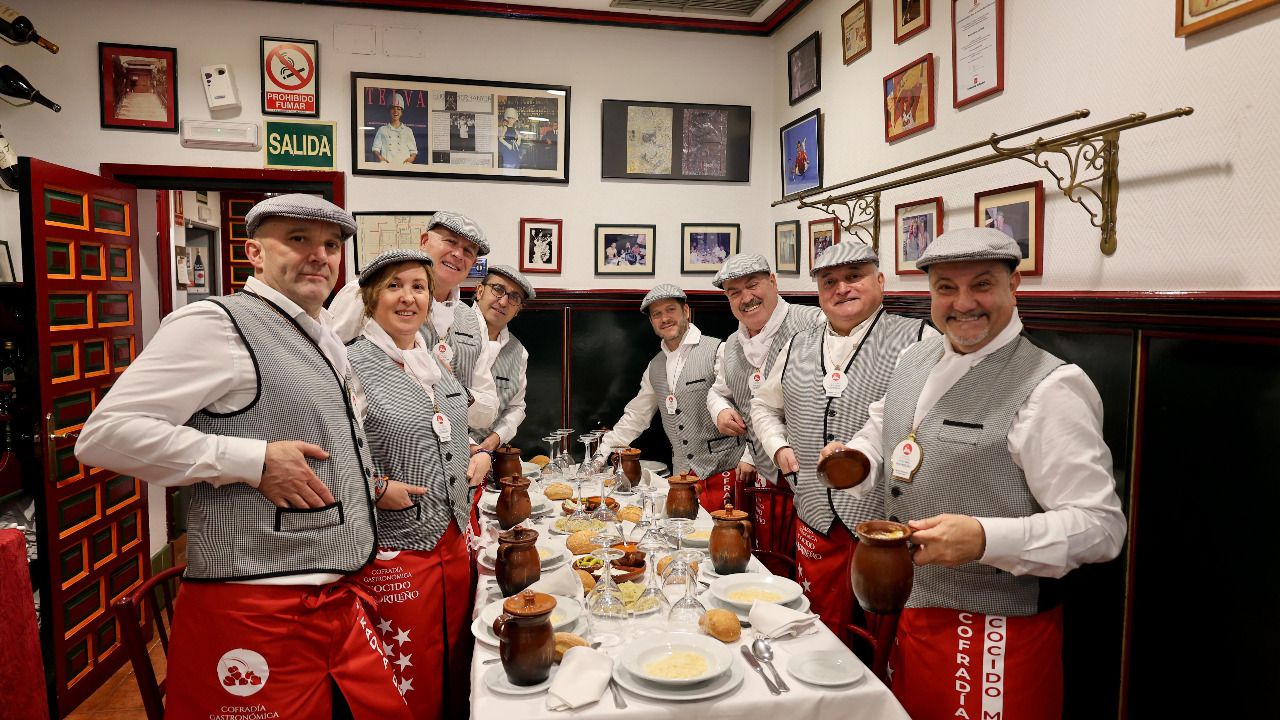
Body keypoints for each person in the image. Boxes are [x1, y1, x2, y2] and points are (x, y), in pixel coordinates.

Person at [74, 195, 411, 719]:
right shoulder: (213, 324)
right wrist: (251, 460)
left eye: (330, 245)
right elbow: (106, 434)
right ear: (253, 252)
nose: (319, 255)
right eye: (298, 239)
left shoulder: (327, 340)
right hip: (254, 609)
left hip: (339, 602)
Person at [829, 227, 1126, 720]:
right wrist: (859, 457)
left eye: (982, 284)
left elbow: (1101, 528)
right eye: (946, 287)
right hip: (916, 615)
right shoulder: (915, 356)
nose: (963, 303)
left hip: (995, 637)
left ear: (1015, 286)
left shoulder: (1052, 387)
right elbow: (887, 419)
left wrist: (985, 538)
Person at [751, 241, 937, 640]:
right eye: (830, 281)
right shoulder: (797, 344)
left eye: (855, 277)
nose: (842, 289)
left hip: (886, 526)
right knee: (814, 633)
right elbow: (763, 406)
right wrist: (778, 447)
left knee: (887, 640)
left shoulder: (919, 339)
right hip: (815, 516)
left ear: (881, 281)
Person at [346, 249, 489, 720]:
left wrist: (477, 452)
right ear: (371, 298)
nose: (408, 298)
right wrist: (375, 486)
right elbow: (331, 449)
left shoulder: (428, 359)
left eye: (418, 287)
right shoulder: (350, 365)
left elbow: (445, 426)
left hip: (452, 539)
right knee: (407, 676)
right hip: (396, 549)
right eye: (394, 286)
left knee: (453, 658)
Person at [333, 211, 498, 464]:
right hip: (380, 463)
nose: (458, 254)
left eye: (469, 250)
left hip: (452, 464)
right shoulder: (363, 293)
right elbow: (332, 371)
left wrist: (450, 393)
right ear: (424, 241)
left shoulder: (473, 319)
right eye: (450, 242)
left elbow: (486, 410)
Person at [706, 254, 824, 559]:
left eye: (752, 285)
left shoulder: (814, 323)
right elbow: (718, 391)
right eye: (734, 293)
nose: (746, 298)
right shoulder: (731, 344)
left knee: (814, 567)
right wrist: (719, 410)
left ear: (773, 281)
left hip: (814, 475)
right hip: (768, 478)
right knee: (774, 562)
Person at [597, 284, 743, 511]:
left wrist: (751, 459)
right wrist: (600, 454)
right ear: (652, 322)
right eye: (657, 314)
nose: (664, 318)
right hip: (681, 477)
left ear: (685, 311)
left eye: (670, 310)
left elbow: (748, 408)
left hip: (724, 472)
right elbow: (636, 416)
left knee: (721, 542)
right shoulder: (655, 366)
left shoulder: (718, 350)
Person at [468, 265, 535, 453]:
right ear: (480, 291)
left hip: (487, 457)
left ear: (518, 310)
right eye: (498, 289)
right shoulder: (450, 328)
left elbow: (517, 406)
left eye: (514, 297)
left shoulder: (518, 352)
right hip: (441, 449)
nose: (503, 301)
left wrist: (497, 437)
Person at [373, 92, 418, 165]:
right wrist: (380, 157)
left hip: (404, 166)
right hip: (387, 166)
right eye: (393, 108)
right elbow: (376, 148)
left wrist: (411, 159)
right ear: (389, 111)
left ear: (402, 112)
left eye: (398, 109)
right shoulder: (382, 129)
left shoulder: (408, 130)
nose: (395, 111)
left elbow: (413, 151)